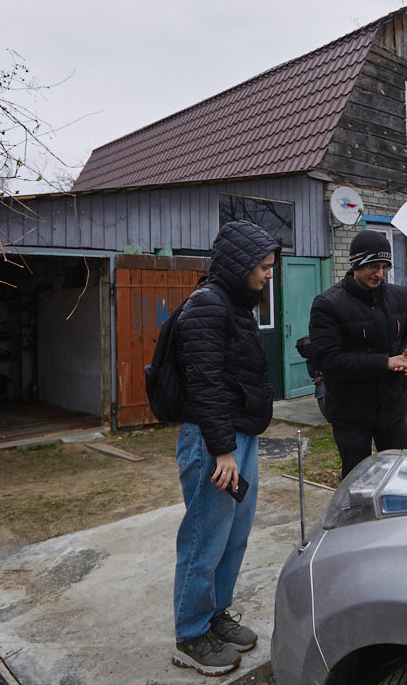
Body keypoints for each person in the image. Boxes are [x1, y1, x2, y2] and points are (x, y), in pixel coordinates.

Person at [170, 220, 279, 676]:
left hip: (238, 439)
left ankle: (215, 614)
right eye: (264, 267)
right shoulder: (205, 307)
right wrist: (222, 450)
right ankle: (190, 634)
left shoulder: (236, 306)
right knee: (205, 537)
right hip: (214, 443)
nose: (268, 275)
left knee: (235, 533)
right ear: (240, 265)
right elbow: (205, 386)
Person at [309, 229, 407, 477]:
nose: (379, 273)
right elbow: (329, 360)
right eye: (372, 266)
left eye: (384, 266)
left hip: (392, 407)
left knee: (399, 474)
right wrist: (385, 362)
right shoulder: (328, 304)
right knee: (357, 479)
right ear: (356, 264)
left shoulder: (399, 297)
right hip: (351, 412)